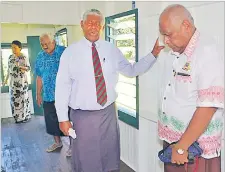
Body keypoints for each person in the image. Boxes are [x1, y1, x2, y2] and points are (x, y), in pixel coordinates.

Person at [55, 9, 164, 172]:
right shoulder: (70, 53)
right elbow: (62, 86)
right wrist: (63, 118)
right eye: (90, 23)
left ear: (102, 26)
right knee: (86, 160)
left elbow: (131, 70)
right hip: (82, 117)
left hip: (108, 114)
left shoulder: (111, 49)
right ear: (82, 25)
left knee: (110, 157)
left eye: (97, 23)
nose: (94, 27)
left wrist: (153, 54)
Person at [158, 4, 224, 172]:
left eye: (168, 35)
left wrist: (182, 146)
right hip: (177, 143)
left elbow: (208, 105)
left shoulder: (206, 51)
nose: (166, 41)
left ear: (186, 26)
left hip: (193, 148)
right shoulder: (178, 52)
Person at [35, 33, 72, 156]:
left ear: (54, 42)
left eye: (47, 43)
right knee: (51, 121)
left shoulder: (64, 52)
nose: (44, 46)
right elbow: (39, 76)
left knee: (68, 120)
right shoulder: (40, 56)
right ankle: (58, 143)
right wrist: (38, 94)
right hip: (49, 95)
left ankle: (72, 146)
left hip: (66, 96)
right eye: (42, 44)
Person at [3, 40, 31, 123]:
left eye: (15, 48)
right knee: (14, 101)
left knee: (23, 100)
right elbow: (9, 70)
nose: (13, 49)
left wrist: (21, 67)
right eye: (12, 47)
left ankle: (24, 117)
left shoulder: (24, 57)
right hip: (12, 83)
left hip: (22, 83)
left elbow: (28, 68)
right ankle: (17, 118)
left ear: (20, 48)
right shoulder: (10, 57)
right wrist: (5, 81)